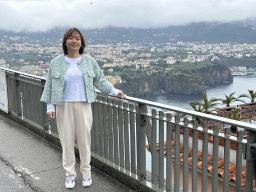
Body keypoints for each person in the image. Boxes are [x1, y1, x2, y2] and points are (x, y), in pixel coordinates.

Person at [40, 27, 125, 189]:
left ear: (82, 43)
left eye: (77, 38)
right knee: (66, 142)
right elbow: (49, 86)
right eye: (71, 38)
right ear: (65, 42)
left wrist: (114, 91)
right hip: (63, 106)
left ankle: (86, 173)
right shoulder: (56, 62)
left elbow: (99, 80)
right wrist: (49, 106)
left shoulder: (89, 61)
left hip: (84, 105)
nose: (74, 41)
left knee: (85, 142)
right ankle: (70, 174)